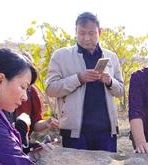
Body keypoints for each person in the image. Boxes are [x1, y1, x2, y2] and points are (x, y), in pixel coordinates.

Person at [46, 12, 124, 152]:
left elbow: (121, 91)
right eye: (81, 33)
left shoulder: (111, 57)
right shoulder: (61, 56)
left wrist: (110, 81)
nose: (87, 38)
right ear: (75, 31)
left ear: (99, 32)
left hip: (106, 131)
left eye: (91, 33)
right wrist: (79, 78)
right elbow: (51, 89)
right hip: (75, 133)